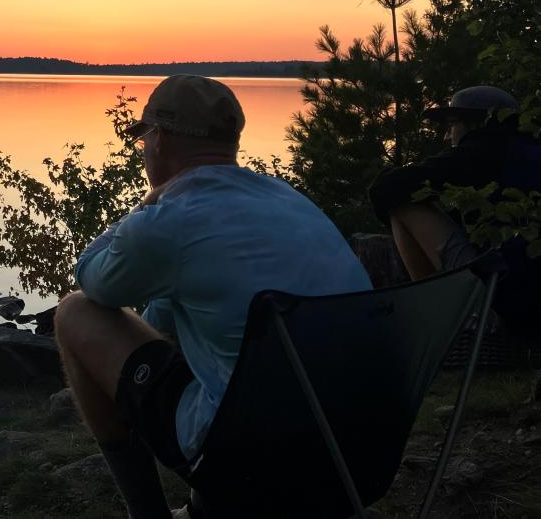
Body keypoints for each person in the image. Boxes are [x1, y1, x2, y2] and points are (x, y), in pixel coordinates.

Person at [55, 76, 371, 519]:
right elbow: (167, 313)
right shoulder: (290, 200)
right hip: (362, 450)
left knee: (75, 311)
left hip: (254, 461)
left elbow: (90, 276)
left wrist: (152, 200)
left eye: (144, 136)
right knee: (194, 313)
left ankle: (147, 514)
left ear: (160, 139)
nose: (144, 147)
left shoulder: (170, 221)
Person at [370, 85, 541, 334]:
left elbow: (384, 188)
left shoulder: (482, 151)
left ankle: (439, 317)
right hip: (529, 295)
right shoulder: (528, 149)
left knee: (403, 202)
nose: (447, 136)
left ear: (474, 124)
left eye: (451, 125)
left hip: (511, 296)